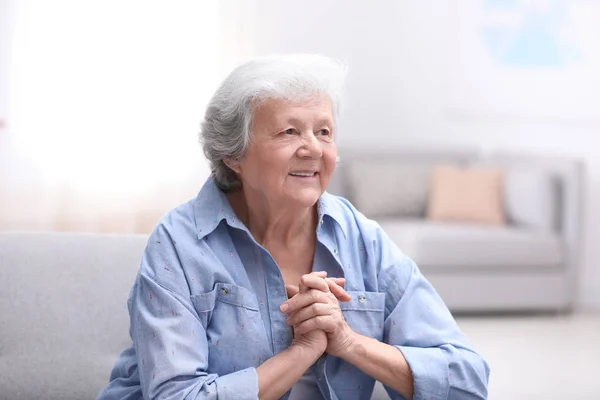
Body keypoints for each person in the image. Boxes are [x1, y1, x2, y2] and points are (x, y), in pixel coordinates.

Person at [97, 54, 489, 400]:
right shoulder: (181, 243)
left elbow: (467, 382)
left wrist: (348, 342)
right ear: (234, 155)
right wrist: (301, 351)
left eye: (324, 131)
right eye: (289, 131)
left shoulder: (362, 239)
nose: (314, 149)